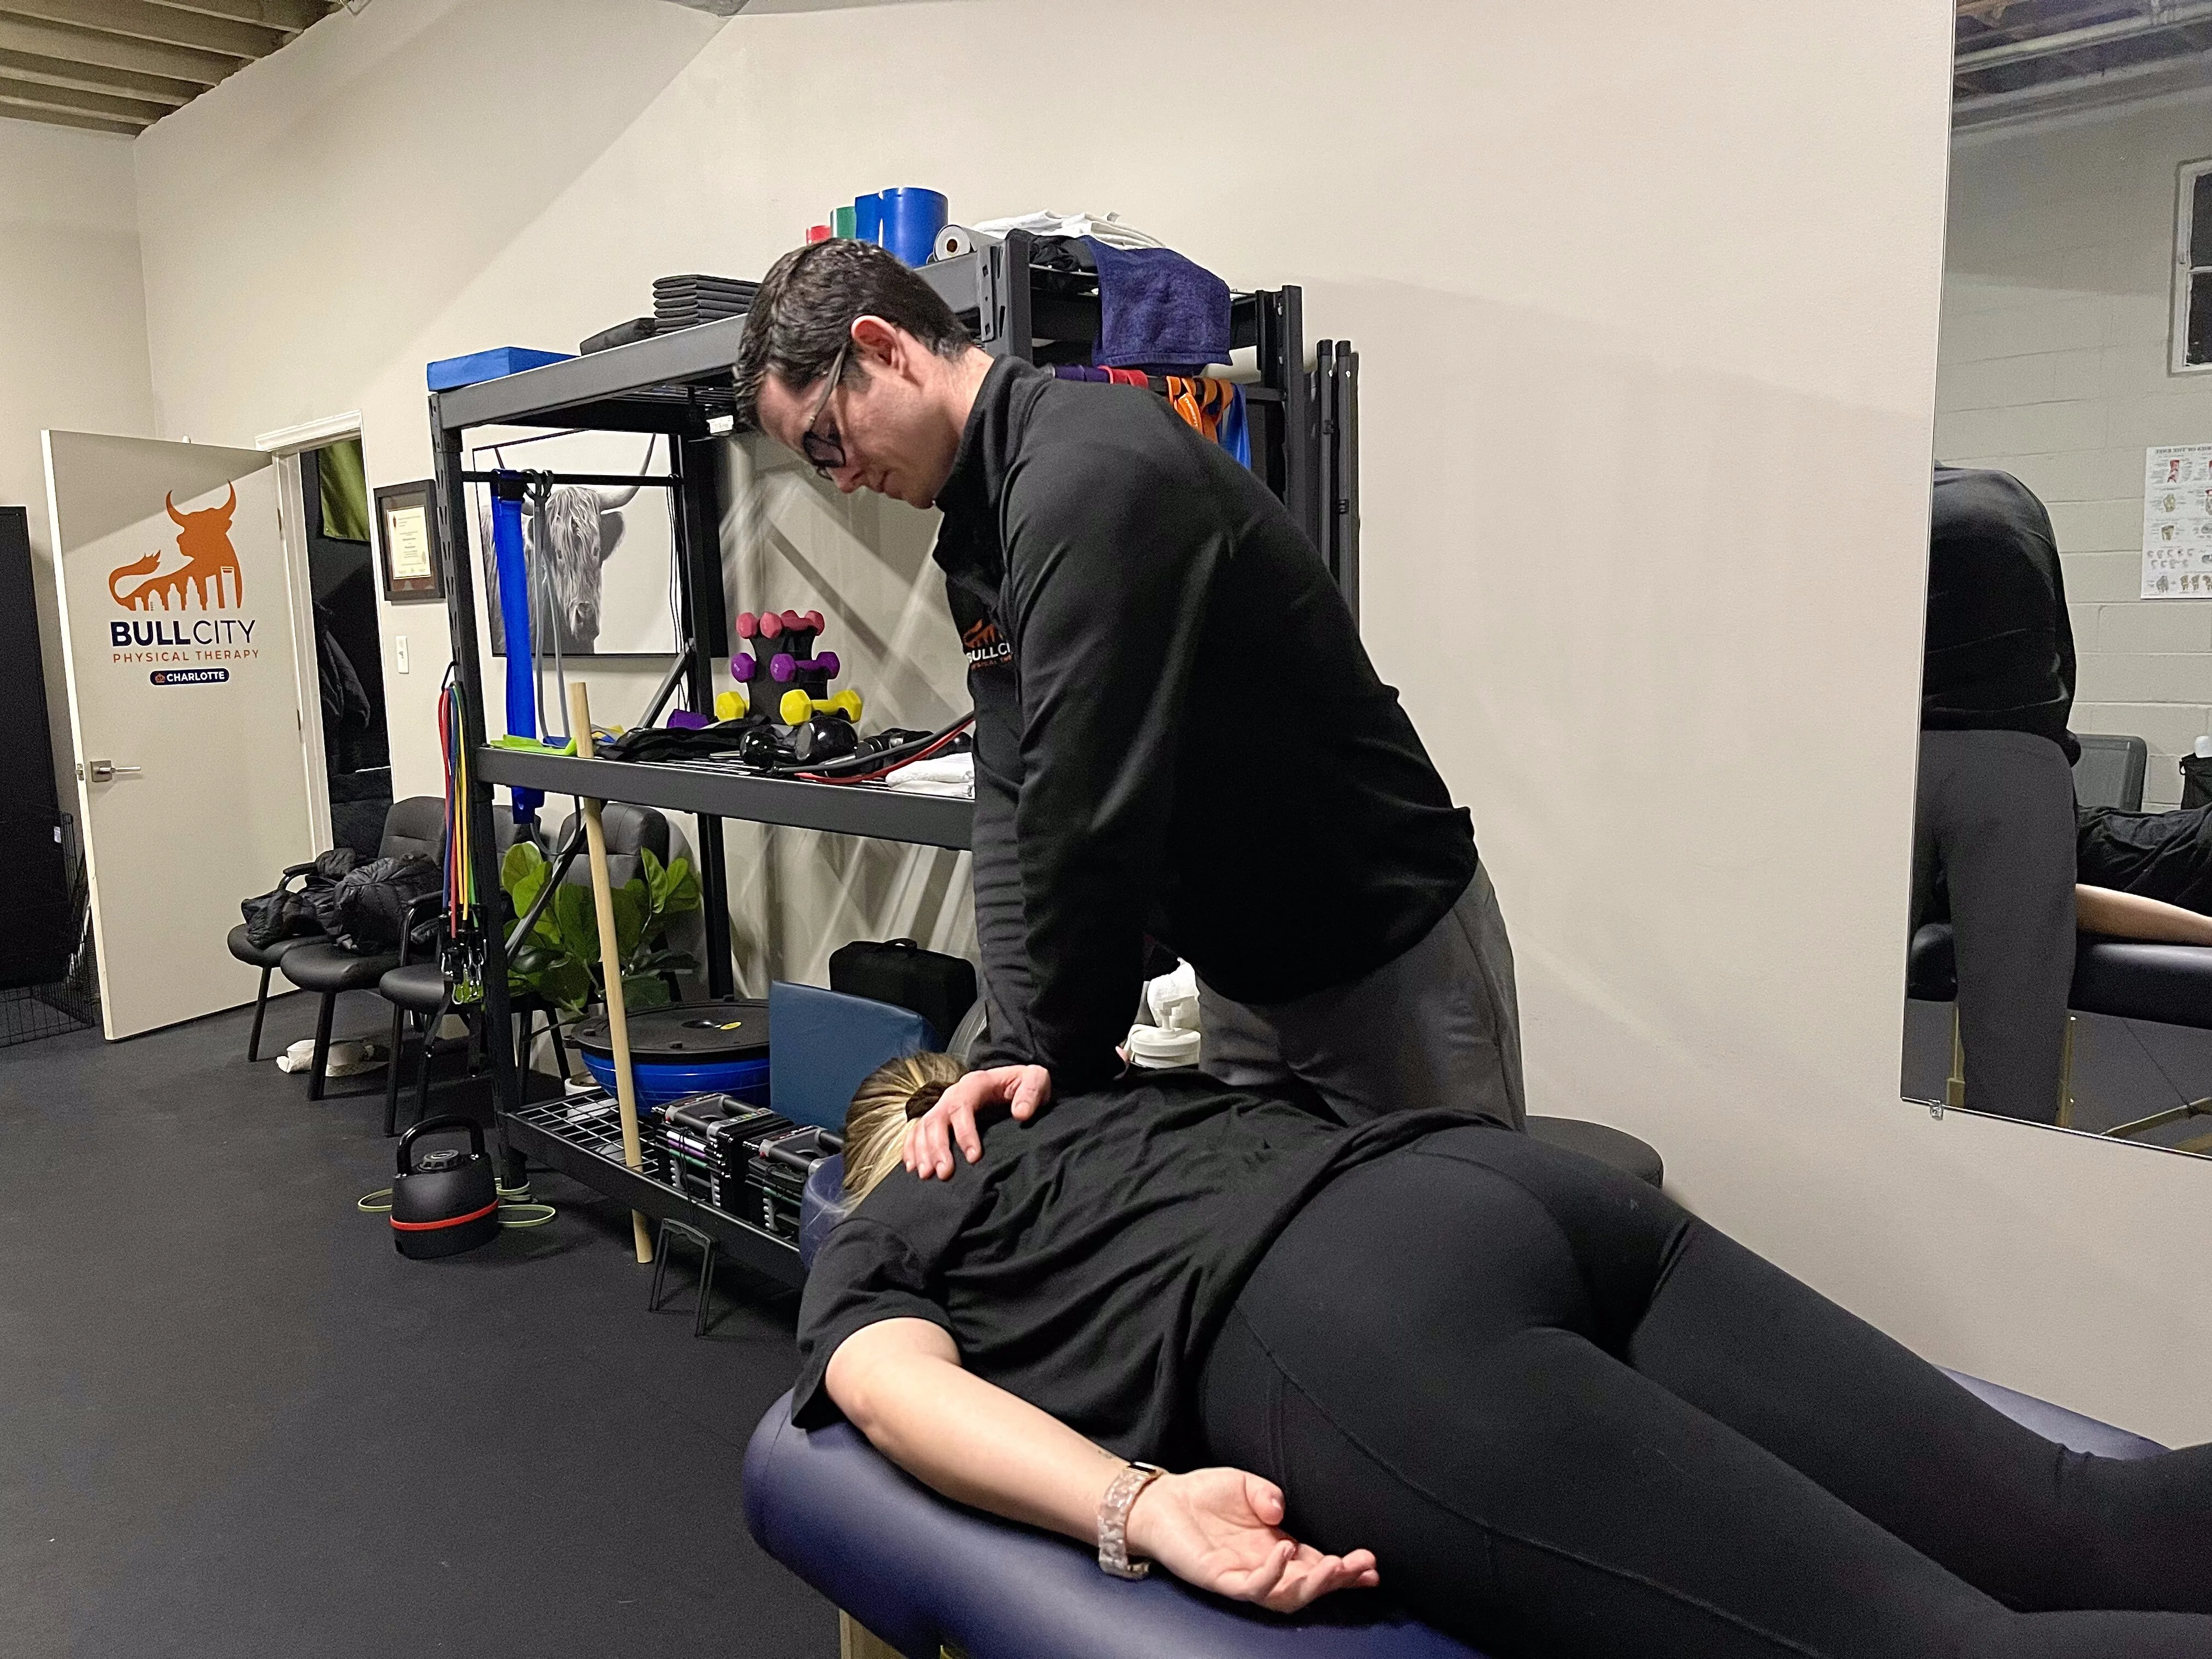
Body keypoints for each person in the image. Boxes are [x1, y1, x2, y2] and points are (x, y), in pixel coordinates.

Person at [799, 1054, 2212, 1658]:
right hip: (1505, 1185)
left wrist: (1140, 1502)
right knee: (2078, 1523)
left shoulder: (886, 1220)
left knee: (1937, 1653)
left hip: (1353, 1317)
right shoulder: (1098, 1090)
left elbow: (886, 1385)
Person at [731, 239, 1521, 1175]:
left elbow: (1085, 811)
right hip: (1246, 981)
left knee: (1451, 1265)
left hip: (1382, 955)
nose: (843, 477)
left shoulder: (1089, 472)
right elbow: (1011, 800)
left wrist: (1051, 1057)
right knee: (1265, 1281)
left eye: (825, 439)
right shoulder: (983, 535)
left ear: (884, 347)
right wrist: (1014, 1046)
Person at [1913, 465, 2080, 1124]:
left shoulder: (1867, 501)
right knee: (2018, 1053)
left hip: (1888, 752)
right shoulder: (2010, 495)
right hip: (2018, 754)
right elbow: (2061, 654)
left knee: (1830, 1021)